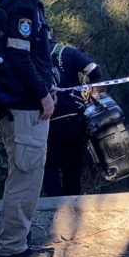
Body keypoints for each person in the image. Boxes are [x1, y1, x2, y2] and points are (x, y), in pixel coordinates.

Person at [0, 0, 59, 257]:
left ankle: (18, 237)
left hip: (22, 104)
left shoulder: (24, 1)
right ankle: (12, 248)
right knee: (25, 178)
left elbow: (32, 55)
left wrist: (49, 83)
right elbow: (19, 58)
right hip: (24, 108)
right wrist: (43, 95)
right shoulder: (21, 5)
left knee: (25, 175)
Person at [43, 28, 103, 197]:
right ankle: (72, 207)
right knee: (72, 165)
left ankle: (53, 208)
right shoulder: (66, 51)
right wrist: (94, 92)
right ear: (52, 32)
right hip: (72, 117)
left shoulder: (31, 54)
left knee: (49, 165)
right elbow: (94, 69)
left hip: (44, 119)